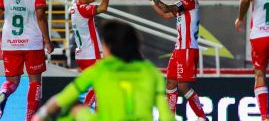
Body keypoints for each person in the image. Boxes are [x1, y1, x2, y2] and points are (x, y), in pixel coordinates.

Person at [32, 20, 175, 121]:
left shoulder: (100, 70)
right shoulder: (150, 72)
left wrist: (40, 116)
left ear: (109, 46)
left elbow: (61, 100)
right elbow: (166, 115)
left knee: (75, 108)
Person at [0, 0, 54, 120]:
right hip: (32, 43)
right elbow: (40, 17)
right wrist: (47, 41)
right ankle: (30, 118)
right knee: (35, 82)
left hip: (10, 42)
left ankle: (3, 92)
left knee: (13, 82)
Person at [149, 0, 208, 121]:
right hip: (179, 49)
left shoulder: (189, 0)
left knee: (183, 86)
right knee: (170, 82)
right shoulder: (184, 4)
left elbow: (167, 7)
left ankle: (202, 117)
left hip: (187, 49)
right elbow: (165, 14)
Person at [70, 0, 111, 108]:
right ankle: (84, 111)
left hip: (83, 54)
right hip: (91, 54)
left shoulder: (74, 7)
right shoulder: (83, 9)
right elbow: (103, 7)